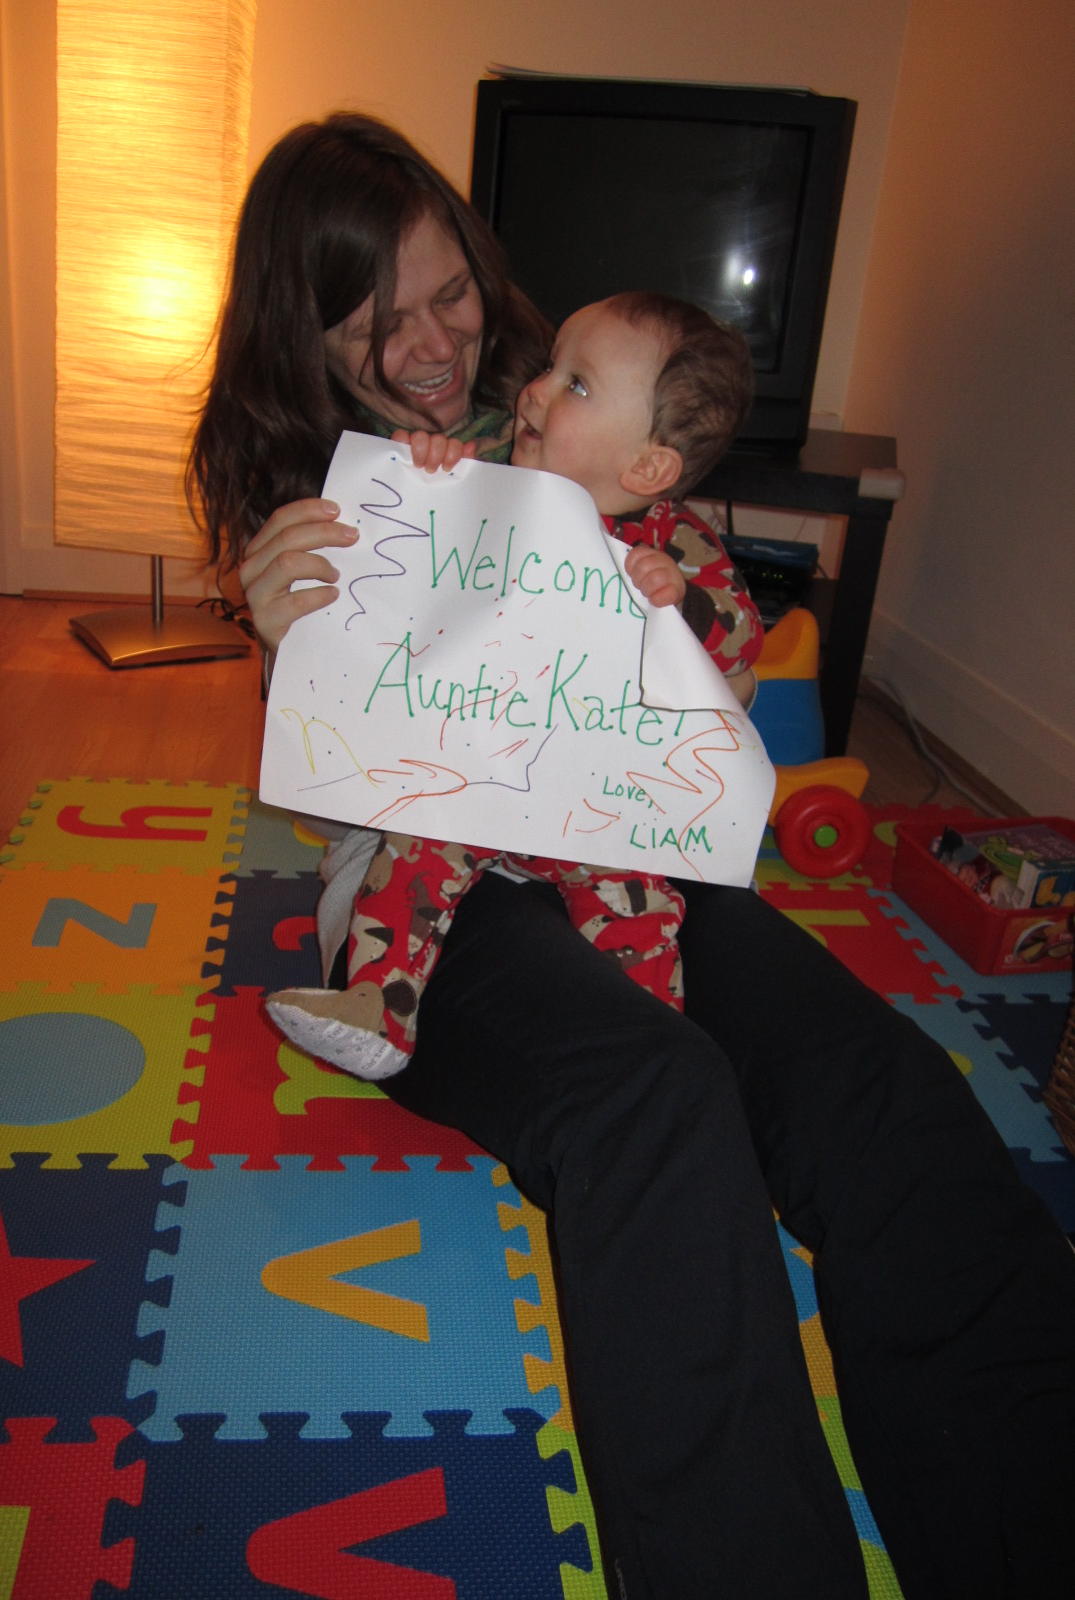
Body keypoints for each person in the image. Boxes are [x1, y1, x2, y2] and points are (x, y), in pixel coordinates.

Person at [190, 112, 1075, 1600]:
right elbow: (329, 775)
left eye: (451, 295)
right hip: (432, 891)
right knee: (655, 1099)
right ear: (309, 330)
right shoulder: (328, 482)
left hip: (619, 855)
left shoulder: (579, 410)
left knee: (881, 1084)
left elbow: (691, 659)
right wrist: (287, 638)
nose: (432, 347)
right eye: (377, 322)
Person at [264, 292, 762, 1081]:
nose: (535, 390)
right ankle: (379, 1007)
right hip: (479, 784)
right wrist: (427, 480)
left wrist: (682, 600)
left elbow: (740, 638)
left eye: (576, 384)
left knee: (638, 914)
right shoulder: (491, 488)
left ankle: (645, 1045)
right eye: (550, 366)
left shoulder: (674, 539)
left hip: (598, 810)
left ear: (646, 467)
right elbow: (409, 587)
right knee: (412, 852)